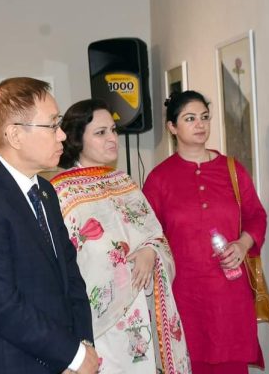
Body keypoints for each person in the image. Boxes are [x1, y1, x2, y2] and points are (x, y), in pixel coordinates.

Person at [0, 77, 97, 374]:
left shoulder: (45, 191)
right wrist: (71, 354)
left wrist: (82, 345)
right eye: (53, 125)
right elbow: (1, 305)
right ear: (15, 135)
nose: (62, 136)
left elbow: (71, 276)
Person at [50, 99, 191, 373]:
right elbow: (60, 265)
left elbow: (156, 236)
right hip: (98, 325)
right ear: (78, 139)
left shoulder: (125, 183)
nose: (112, 138)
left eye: (113, 130)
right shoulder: (61, 192)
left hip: (141, 311)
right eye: (100, 133)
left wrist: (151, 252)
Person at [142, 91, 267, 374]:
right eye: (190, 119)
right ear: (172, 127)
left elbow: (256, 216)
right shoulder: (159, 179)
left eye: (205, 117)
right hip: (184, 295)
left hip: (230, 293)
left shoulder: (232, 170)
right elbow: (147, 235)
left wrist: (243, 244)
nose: (200, 125)